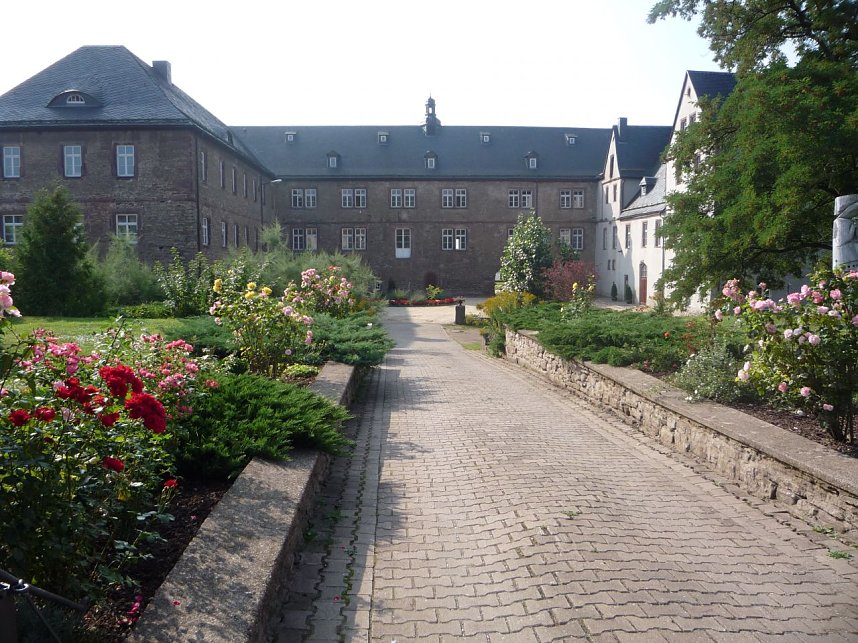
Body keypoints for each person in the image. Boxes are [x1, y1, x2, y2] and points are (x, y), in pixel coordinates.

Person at [833, 195, 858, 270]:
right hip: (845, 252)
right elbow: (847, 238)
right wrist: (854, 227)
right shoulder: (841, 221)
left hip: (849, 250)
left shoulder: (844, 221)